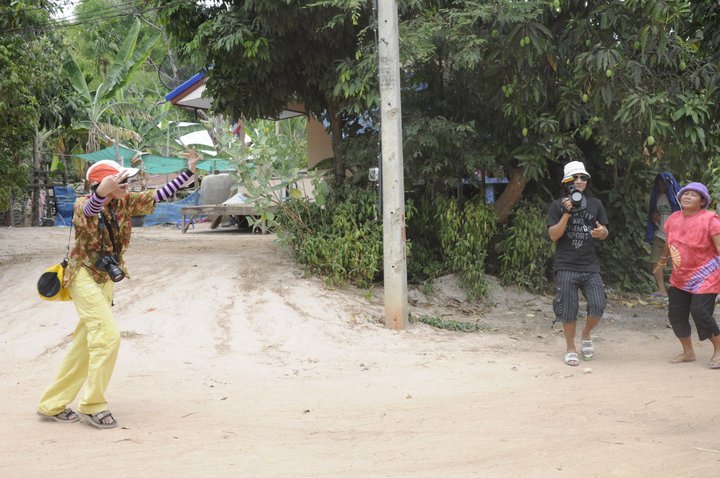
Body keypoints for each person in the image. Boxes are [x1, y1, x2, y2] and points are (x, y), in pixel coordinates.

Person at [36, 150, 201, 428]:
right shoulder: (83, 204)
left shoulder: (124, 204)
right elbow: (91, 208)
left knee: (84, 344)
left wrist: (190, 171)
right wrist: (101, 191)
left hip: (105, 279)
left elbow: (159, 195)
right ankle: (92, 404)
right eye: (122, 183)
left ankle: (52, 403)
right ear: (106, 185)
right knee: (108, 335)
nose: (128, 187)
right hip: (82, 275)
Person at [547, 161, 610, 366]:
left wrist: (603, 233)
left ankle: (585, 334)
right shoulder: (557, 205)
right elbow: (554, 236)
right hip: (565, 266)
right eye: (575, 178)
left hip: (590, 266)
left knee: (598, 304)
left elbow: (604, 231)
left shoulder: (596, 204)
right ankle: (570, 347)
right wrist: (567, 212)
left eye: (583, 177)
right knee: (568, 309)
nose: (580, 181)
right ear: (567, 182)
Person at [653, 182, 720, 369]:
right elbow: (668, 241)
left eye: (693, 194)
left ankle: (718, 350)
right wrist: (662, 261)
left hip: (707, 275)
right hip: (680, 276)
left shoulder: (710, 219)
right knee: (675, 315)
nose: (687, 196)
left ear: (702, 201)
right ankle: (688, 352)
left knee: (700, 312)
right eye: (685, 193)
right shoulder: (673, 218)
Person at [645, 172, 681, 298]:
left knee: (676, 265)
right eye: (659, 184)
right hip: (660, 234)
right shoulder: (657, 197)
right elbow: (653, 211)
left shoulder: (678, 197)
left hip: (676, 238)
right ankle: (661, 290)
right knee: (655, 261)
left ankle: (677, 292)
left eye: (663, 184)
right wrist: (654, 214)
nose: (661, 186)